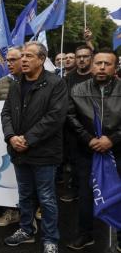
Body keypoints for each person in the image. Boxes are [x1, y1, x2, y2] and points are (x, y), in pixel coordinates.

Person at [1, 42, 68, 253]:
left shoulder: (56, 84)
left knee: (46, 197)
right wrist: (11, 137)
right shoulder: (15, 84)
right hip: (19, 152)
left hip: (45, 154)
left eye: (29, 56)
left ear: (41, 59)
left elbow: (54, 118)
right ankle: (26, 230)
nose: (23, 60)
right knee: (25, 195)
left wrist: (27, 140)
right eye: (22, 56)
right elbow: (6, 114)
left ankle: (50, 239)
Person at [66, 49, 121, 251]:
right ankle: (85, 234)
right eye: (98, 63)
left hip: (117, 151)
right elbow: (70, 117)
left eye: (107, 64)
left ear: (115, 67)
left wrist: (112, 139)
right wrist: (89, 139)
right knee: (87, 195)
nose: (102, 67)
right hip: (87, 152)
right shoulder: (78, 89)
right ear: (92, 65)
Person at [0, 47, 23, 227]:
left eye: (13, 60)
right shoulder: (2, 82)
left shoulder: (32, 82)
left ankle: (30, 210)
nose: (9, 63)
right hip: (7, 136)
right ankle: (11, 210)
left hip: (27, 138)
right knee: (8, 175)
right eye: (7, 60)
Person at [60, 45, 94, 203]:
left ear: (91, 58)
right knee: (75, 162)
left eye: (85, 56)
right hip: (73, 129)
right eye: (79, 56)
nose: (81, 59)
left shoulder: (97, 76)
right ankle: (76, 189)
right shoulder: (69, 78)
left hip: (95, 129)